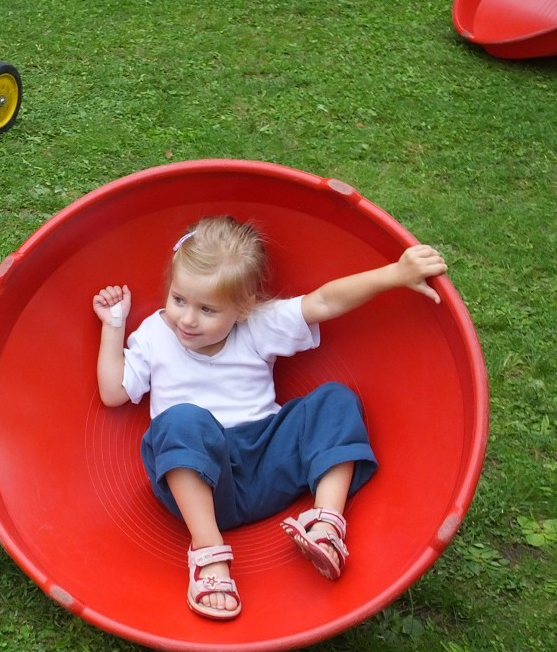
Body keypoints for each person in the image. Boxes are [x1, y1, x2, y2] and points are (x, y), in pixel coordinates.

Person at [92, 216, 447, 620]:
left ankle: (327, 522)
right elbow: (114, 392)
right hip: (200, 478)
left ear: (242, 309)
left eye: (207, 309)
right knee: (180, 421)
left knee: (335, 399)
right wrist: (114, 326)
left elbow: (324, 302)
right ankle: (209, 552)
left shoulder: (257, 325)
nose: (187, 319)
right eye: (179, 299)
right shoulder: (156, 334)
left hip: (267, 459)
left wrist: (393, 274)